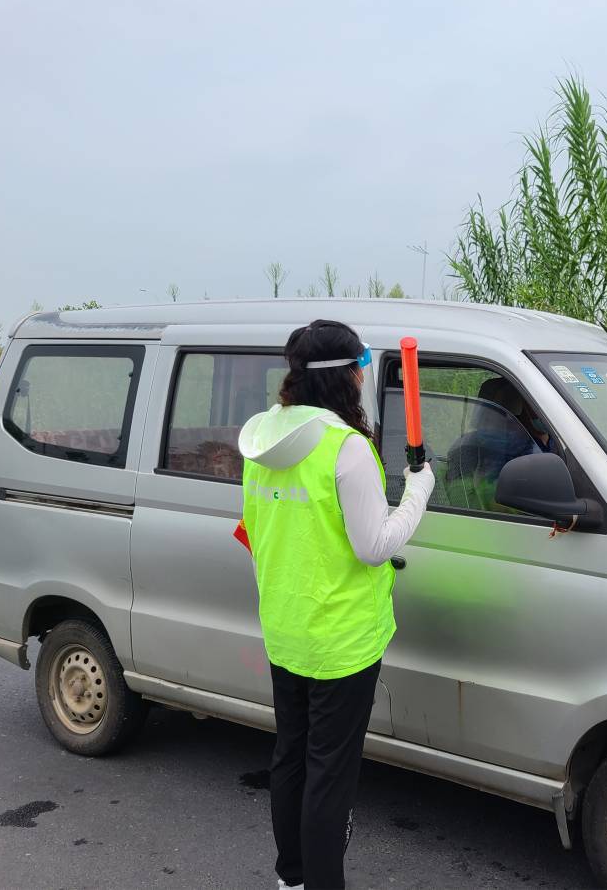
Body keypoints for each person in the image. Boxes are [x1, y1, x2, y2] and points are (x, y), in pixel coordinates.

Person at [237, 319, 435, 890]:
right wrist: (418, 490)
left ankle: (292, 878)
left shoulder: (260, 439)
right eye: (360, 368)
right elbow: (374, 546)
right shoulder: (346, 448)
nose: (361, 378)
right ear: (346, 376)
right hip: (344, 642)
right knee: (330, 775)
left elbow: (254, 527)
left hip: (286, 629)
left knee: (291, 757)